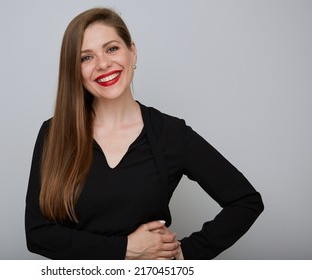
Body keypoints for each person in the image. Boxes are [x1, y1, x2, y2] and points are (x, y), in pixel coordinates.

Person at [25, 7, 264, 260]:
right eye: (86, 57)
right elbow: (38, 234)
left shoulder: (170, 134)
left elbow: (246, 201)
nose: (103, 64)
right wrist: (124, 248)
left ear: (132, 52)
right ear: (75, 70)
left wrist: (184, 255)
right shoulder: (54, 134)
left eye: (112, 48)